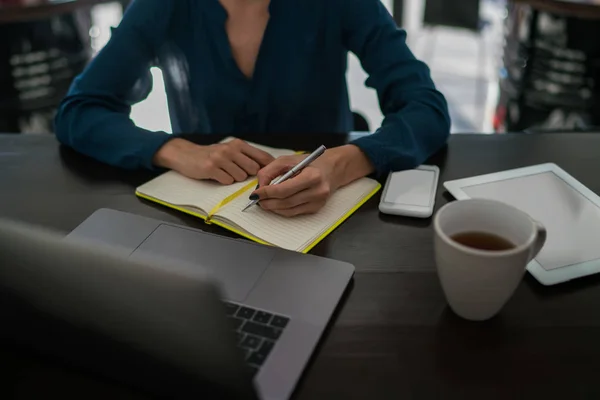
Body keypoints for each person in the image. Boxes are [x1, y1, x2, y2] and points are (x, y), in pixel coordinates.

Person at [55, 0, 451, 217]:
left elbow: (426, 107)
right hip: (209, 225)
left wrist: (343, 163)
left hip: (325, 219)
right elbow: (79, 111)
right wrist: (179, 151)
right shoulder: (163, 6)